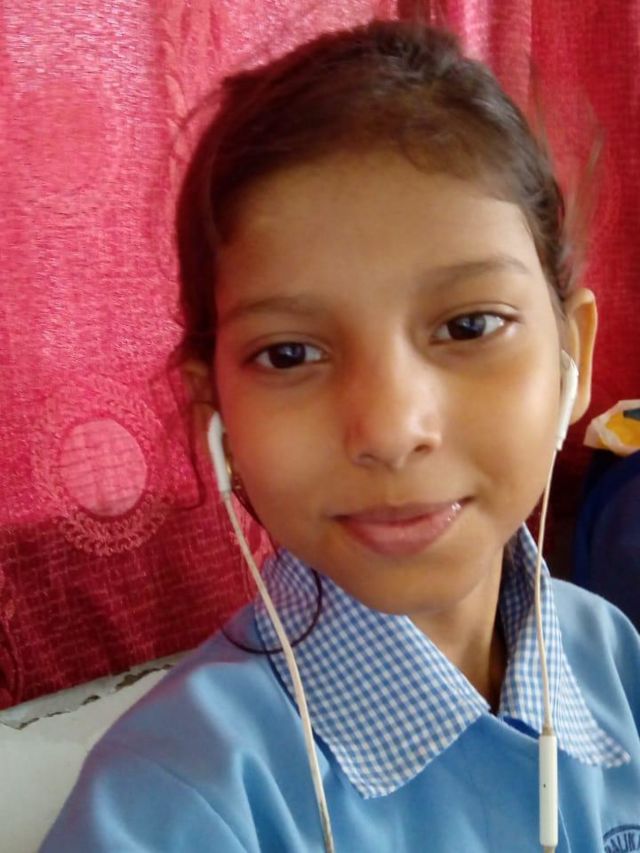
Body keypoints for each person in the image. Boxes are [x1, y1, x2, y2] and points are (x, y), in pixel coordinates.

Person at [41, 19, 640, 852]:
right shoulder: (176, 804)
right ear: (217, 414)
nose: (391, 431)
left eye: (469, 325)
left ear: (573, 356)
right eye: (290, 353)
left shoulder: (616, 658)